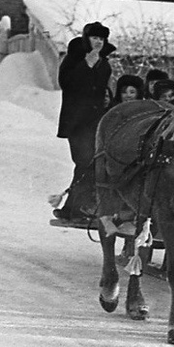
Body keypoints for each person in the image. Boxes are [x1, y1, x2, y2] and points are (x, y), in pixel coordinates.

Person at [53, 21, 115, 223]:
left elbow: (102, 88)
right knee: (84, 162)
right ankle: (76, 208)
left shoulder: (104, 61)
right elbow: (67, 83)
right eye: (94, 38)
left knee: (89, 164)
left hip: (96, 122)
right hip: (77, 122)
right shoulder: (75, 57)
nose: (98, 42)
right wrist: (87, 64)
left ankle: (73, 208)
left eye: (101, 38)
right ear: (86, 39)